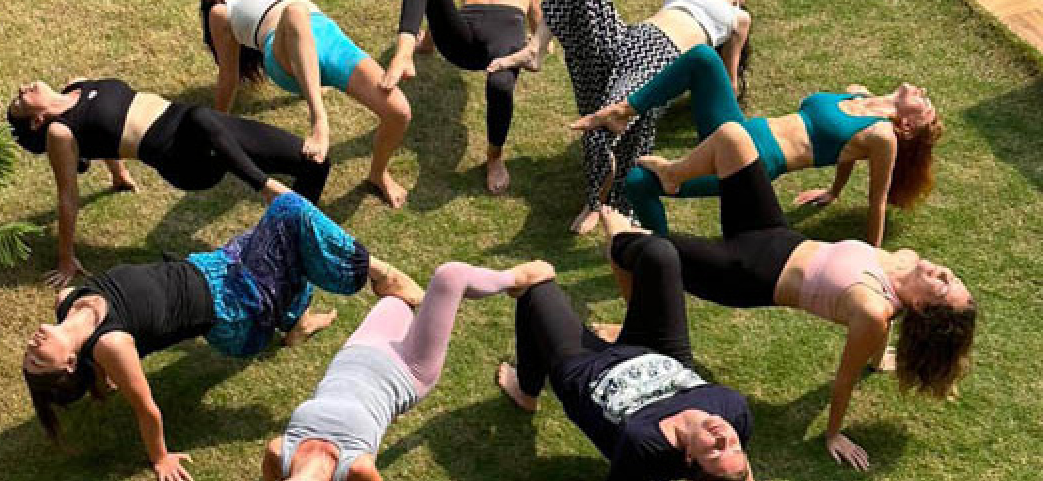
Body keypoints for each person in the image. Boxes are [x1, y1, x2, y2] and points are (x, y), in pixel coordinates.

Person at [624, 121, 976, 469]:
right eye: (955, 278)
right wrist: (878, 358)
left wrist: (833, 434)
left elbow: (845, 378)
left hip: (746, 274)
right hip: (772, 233)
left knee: (637, 245)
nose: (945, 273)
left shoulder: (873, 307)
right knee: (732, 137)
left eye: (945, 287)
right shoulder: (905, 260)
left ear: (922, 306)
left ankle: (637, 332)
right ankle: (672, 174)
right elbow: (887, 326)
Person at [22, 192, 424, 481]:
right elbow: (147, 409)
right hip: (233, 310)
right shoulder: (110, 345)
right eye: (39, 360)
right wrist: (160, 458)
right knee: (290, 212)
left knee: (289, 253)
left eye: (28, 355)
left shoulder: (66, 301)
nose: (32, 346)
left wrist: (100, 382)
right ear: (68, 363)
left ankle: (295, 323)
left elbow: (98, 365)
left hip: (215, 266)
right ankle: (379, 276)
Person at [496, 217, 809, 481]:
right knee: (660, 254)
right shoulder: (733, 412)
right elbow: (734, 466)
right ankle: (618, 237)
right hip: (659, 352)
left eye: (715, 450)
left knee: (536, 288)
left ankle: (527, 391)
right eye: (733, 444)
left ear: (689, 457)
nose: (724, 437)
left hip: (588, 372)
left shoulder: (645, 446)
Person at [232, 260, 558, 481]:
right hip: (407, 370)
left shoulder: (279, 452)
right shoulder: (356, 472)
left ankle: (418, 305)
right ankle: (516, 279)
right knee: (449, 277)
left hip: (358, 353)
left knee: (396, 298)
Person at [571, 45, 942, 245]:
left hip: (753, 161)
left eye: (925, 105)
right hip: (742, 130)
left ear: (908, 128)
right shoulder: (860, 95)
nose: (923, 92)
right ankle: (624, 110)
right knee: (703, 58)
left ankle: (663, 259)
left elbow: (877, 202)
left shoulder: (884, 137)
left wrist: (873, 261)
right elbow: (849, 151)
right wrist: (833, 191)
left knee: (638, 182)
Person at [7, 78, 332, 289]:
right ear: (37, 121)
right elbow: (67, 196)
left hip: (205, 128)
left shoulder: (76, 85)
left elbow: (99, 136)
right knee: (201, 117)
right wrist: (66, 258)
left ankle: (289, 254)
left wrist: (117, 174)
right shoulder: (58, 132)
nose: (22, 89)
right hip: (183, 159)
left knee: (315, 162)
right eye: (20, 102)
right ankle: (268, 189)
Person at [488, 0, 751, 233]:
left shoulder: (738, 18)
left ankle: (599, 202)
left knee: (605, 123)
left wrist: (731, 134)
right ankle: (535, 49)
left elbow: (727, 82)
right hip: (630, 39)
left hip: (661, 59)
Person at [201, 0, 412, 207]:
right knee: (295, 12)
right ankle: (319, 120)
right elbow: (228, 75)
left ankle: (378, 174)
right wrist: (218, 123)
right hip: (283, 53)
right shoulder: (221, 10)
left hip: (328, 39)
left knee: (398, 112)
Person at [381, 0, 542, 193]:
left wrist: (539, 44)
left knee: (500, 86)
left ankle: (495, 157)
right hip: (463, 39)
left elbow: (535, 8)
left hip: (504, 35)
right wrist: (428, 42)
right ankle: (403, 53)